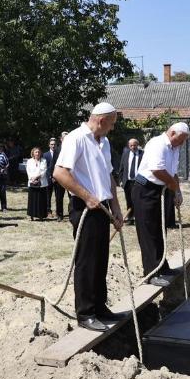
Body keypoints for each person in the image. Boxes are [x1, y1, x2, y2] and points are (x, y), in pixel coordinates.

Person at [53, 102, 124, 332]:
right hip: (85, 208)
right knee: (86, 261)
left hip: (102, 206)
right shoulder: (76, 138)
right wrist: (86, 196)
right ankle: (85, 312)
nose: (112, 128)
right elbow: (60, 172)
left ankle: (99, 307)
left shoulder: (103, 142)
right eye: (111, 123)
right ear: (101, 120)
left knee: (101, 259)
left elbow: (109, 176)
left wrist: (116, 207)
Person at [132, 123, 189, 287]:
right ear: (172, 133)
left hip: (161, 189)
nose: (182, 143)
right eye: (181, 139)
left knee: (160, 228)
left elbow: (173, 172)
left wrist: (177, 191)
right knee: (148, 231)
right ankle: (151, 272)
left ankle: (162, 266)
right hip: (145, 190)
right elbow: (157, 170)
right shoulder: (157, 144)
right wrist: (173, 186)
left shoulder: (174, 147)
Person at [117, 138, 143, 223]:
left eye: (134, 145)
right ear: (129, 146)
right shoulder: (126, 154)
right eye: (131, 145)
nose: (133, 147)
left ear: (137, 145)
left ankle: (138, 218)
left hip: (138, 181)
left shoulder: (142, 154)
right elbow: (122, 167)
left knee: (138, 199)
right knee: (129, 200)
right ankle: (130, 218)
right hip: (127, 181)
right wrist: (120, 180)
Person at [26, 147, 49, 221]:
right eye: (36, 152)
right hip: (32, 182)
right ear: (33, 153)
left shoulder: (43, 160)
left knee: (41, 200)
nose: (37, 153)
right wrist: (32, 178)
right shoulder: (29, 161)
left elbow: (44, 170)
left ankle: (41, 215)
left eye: (39, 152)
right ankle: (31, 215)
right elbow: (28, 171)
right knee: (32, 200)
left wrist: (37, 177)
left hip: (41, 182)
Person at [44, 138, 58, 217]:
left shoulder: (60, 154)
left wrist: (55, 177)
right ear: (49, 145)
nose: (53, 146)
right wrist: (50, 176)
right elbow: (44, 167)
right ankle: (48, 211)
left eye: (54, 144)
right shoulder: (45, 155)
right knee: (48, 196)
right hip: (48, 178)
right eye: (51, 144)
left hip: (58, 178)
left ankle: (57, 211)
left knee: (58, 196)